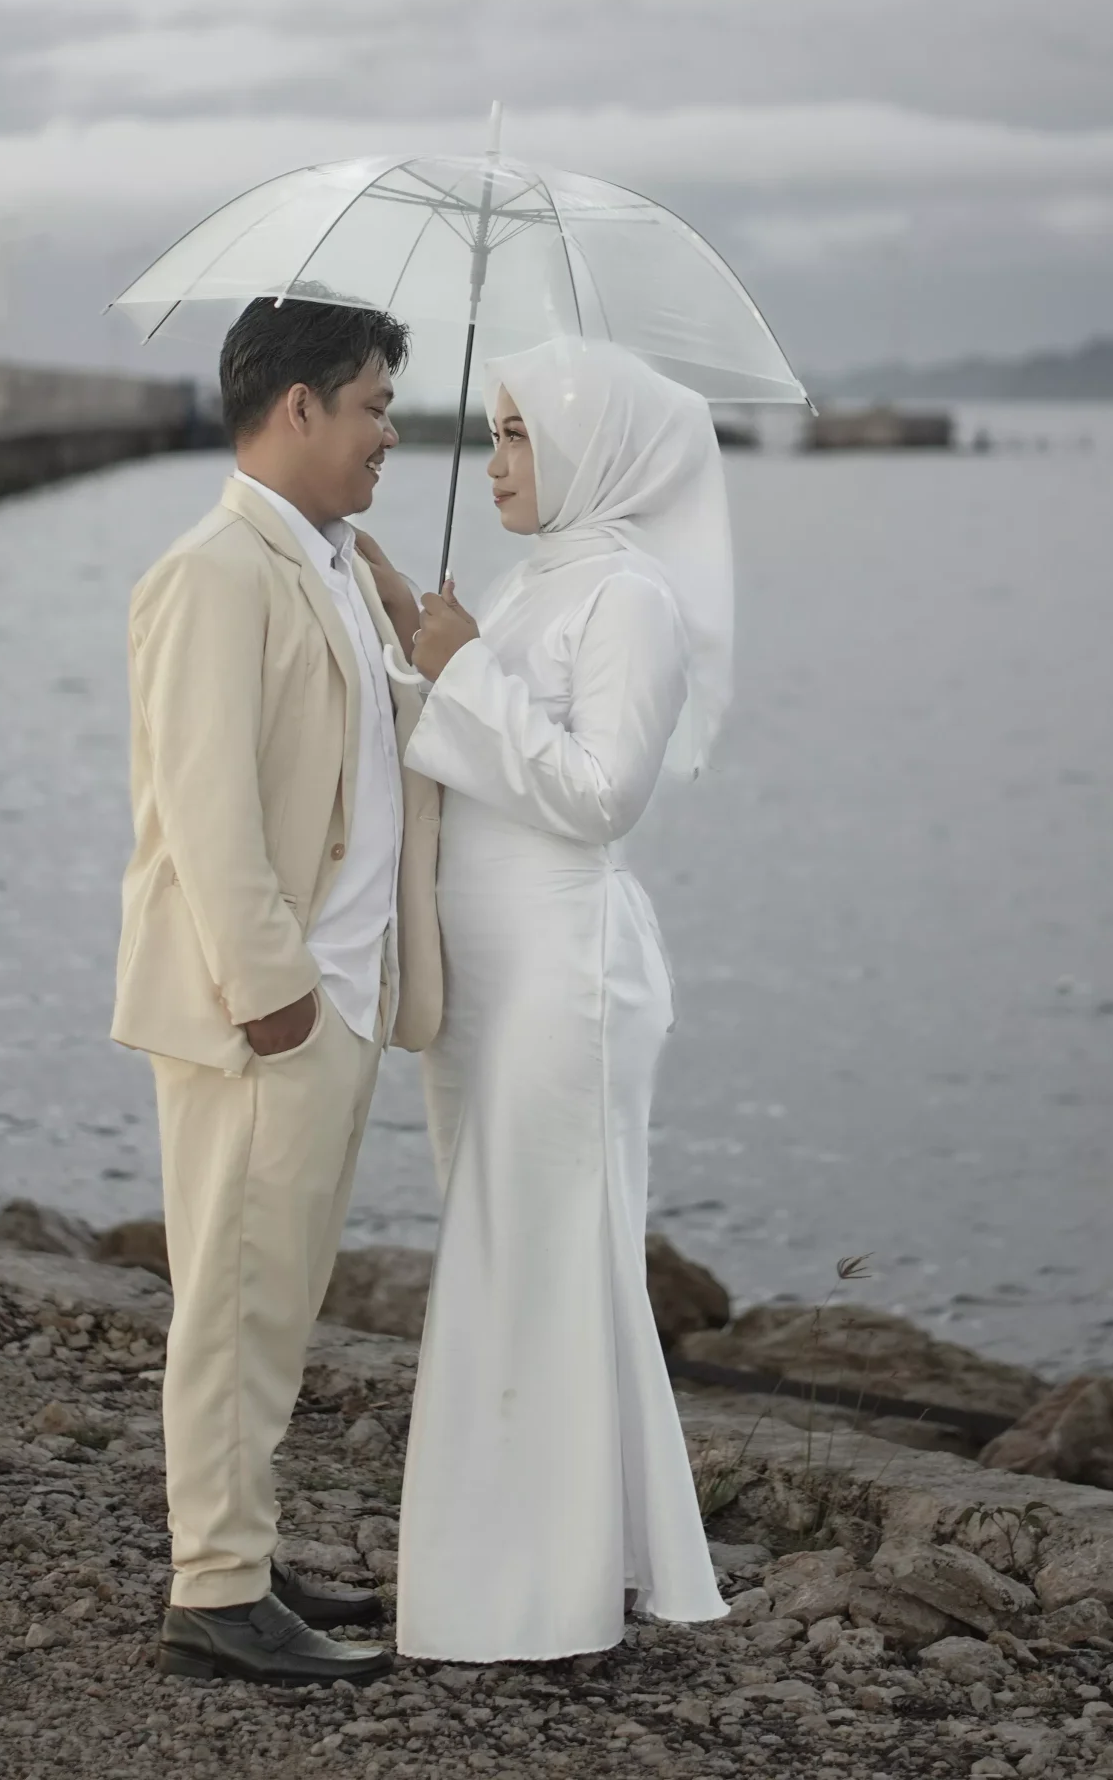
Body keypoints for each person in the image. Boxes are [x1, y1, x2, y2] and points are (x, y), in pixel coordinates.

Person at [110, 296, 441, 1688]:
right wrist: (272, 992)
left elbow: (366, 766)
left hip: (343, 995)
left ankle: (240, 1546)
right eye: (373, 406)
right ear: (298, 406)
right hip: (268, 1011)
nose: (389, 436)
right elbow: (206, 803)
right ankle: (216, 1592)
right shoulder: (215, 571)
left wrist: (418, 642)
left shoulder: (336, 565)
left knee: (279, 1293)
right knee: (235, 1300)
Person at [392, 337, 732, 1663]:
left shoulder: (629, 598)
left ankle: (533, 1595)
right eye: (492, 433)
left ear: (592, 447)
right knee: (508, 1254)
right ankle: (545, 1565)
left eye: (521, 434)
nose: (496, 462)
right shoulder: (528, 584)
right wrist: (424, 646)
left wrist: (466, 670)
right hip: (482, 974)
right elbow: (472, 746)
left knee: (534, 1257)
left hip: (561, 971)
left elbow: (600, 796)